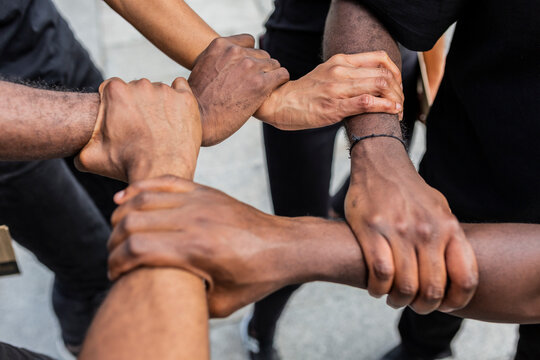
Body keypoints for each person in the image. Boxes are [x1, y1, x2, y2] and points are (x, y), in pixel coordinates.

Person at [322, 1, 540, 359]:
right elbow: (370, 7)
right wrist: (378, 150)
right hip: (463, 163)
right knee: (424, 314)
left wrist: (289, 250)